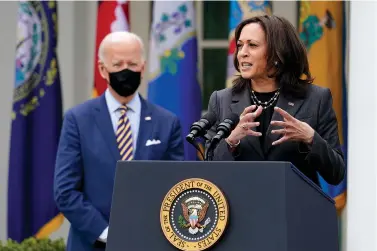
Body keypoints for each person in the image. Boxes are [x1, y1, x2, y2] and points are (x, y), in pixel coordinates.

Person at [54, 31, 184, 251]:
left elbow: (176, 185)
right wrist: (107, 234)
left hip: (151, 242)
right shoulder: (78, 120)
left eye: (132, 64)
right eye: (118, 64)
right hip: (92, 243)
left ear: (143, 67)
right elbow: (65, 191)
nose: (126, 70)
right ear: (103, 69)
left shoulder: (167, 123)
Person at [206, 15, 345, 186]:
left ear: (278, 53)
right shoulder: (221, 100)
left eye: (253, 45)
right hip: (240, 208)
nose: (242, 53)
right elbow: (208, 170)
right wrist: (231, 141)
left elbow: (336, 173)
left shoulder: (316, 99)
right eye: (240, 45)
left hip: (294, 208)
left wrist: (310, 138)